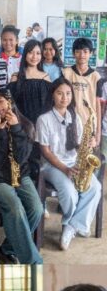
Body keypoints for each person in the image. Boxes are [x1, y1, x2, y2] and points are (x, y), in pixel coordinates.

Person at [37, 78, 101, 250]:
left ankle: (70, 226)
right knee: (70, 194)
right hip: (52, 166)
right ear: (52, 95)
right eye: (59, 93)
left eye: (67, 93)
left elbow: (79, 144)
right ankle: (73, 225)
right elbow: (46, 151)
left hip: (74, 161)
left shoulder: (76, 117)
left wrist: (89, 143)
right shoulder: (44, 119)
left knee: (95, 188)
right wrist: (65, 169)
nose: (64, 97)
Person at [0, 88, 43, 264]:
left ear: (10, 102)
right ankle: (33, 262)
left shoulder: (26, 125)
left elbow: (22, 157)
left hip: (21, 175)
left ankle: (8, 248)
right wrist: (1, 133)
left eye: (1, 101)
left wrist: (15, 128)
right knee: (15, 207)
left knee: (36, 209)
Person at [62, 37, 103, 141]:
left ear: (91, 53)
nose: (82, 55)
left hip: (89, 124)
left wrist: (98, 133)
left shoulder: (96, 77)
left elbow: (98, 105)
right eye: (78, 52)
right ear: (73, 53)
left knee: (86, 155)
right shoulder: (66, 73)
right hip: (69, 121)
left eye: (85, 51)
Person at [10, 39, 52, 127]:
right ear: (25, 54)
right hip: (20, 124)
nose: (34, 57)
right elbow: (11, 104)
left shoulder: (45, 77)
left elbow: (49, 105)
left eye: (38, 53)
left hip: (41, 125)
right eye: (31, 52)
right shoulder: (15, 77)